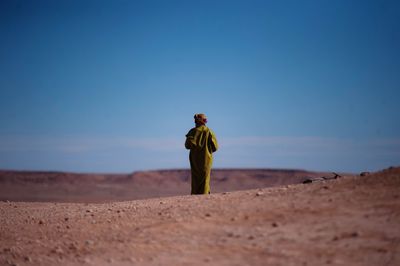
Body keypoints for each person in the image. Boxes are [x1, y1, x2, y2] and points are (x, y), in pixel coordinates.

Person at [185, 113, 218, 194]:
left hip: (194, 160)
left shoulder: (192, 132)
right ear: (203, 121)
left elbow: (187, 146)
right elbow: (215, 147)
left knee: (195, 178)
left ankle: (195, 196)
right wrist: (207, 150)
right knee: (205, 179)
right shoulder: (209, 131)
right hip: (206, 159)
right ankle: (204, 197)